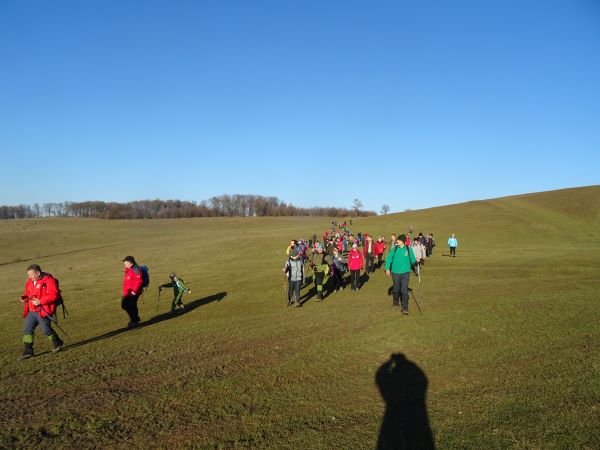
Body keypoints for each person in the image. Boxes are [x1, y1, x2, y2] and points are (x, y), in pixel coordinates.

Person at [19, 264, 64, 359]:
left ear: (38, 273)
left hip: (43, 310)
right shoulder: (29, 281)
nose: (29, 277)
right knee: (27, 329)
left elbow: (54, 295)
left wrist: (40, 301)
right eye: (28, 275)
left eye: (31, 274)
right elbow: (27, 293)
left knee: (46, 330)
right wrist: (25, 299)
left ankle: (57, 342)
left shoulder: (49, 281)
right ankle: (28, 351)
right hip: (31, 310)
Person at [385, 235, 417, 314]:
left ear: (403, 241)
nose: (397, 241)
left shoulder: (408, 249)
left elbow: (412, 259)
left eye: (398, 240)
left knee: (404, 290)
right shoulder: (394, 249)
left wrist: (416, 262)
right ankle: (395, 303)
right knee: (396, 289)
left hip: (405, 272)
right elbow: (389, 258)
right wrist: (387, 268)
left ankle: (405, 308)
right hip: (395, 272)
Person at [121, 256, 143, 326]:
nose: (124, 263)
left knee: (129, 305)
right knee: (128, 305)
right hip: (128, 292)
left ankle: (134, 321)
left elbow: (139, 281)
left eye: (125, 262)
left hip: (133, 292)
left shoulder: (136, 269)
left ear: (129, 262)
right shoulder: (129, 269)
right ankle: (135, 320)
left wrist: (134, 292)